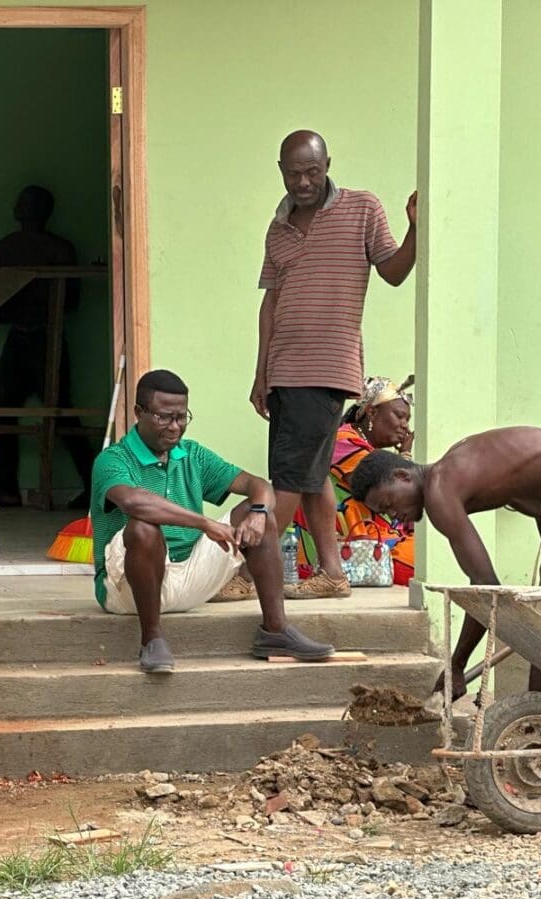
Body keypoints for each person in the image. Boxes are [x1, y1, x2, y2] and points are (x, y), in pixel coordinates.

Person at [239, 129, 417, 602]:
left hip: (327, 368)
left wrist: (417, 229)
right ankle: (334, 573)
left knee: (289, 481)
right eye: (294, 173)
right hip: (283, 371)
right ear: (281, 171)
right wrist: (261, 374)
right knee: (313, 477)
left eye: (312, 171)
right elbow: (270, 306)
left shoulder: (361, 208)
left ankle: (248, 574)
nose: (303, 182)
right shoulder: (278, 228)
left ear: (327, 165)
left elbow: (393, 272)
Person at [352, 429, 541, 698]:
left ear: (403, 475)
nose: (395, 517)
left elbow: (486, 587)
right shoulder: (467, 468)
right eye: (385, 513)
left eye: (389, 503)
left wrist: (457, 665)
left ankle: (539, 729)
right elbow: (540, 509)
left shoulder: (439, 490)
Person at [92, 369, 334, 672]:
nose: (175, 427)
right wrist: (205, 523)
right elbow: (133, 501)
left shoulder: (192, 455)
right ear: (139, 412)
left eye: (182, 417)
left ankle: (276, 631)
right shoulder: (113, 459)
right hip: (126, 590)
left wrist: (259, 514)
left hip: (192, 577)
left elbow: (259, 486)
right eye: (164, 417)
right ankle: (151, 640)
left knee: (260, 513)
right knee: (143, 526)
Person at [0, 184, 95, 508]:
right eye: (20, 200)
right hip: (17, 336)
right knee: (2, 410)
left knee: (62, 413)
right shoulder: (5, 247)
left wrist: (34, 305)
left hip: (48, 337)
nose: (21, 206)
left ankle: (96, 487)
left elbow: (71, 299)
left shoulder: (60, 249)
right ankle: (5, 488)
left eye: (29, 202)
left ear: (43, 209)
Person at [285, 375, 417, 587]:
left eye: (407, 420)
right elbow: (375, 484)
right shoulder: (342, 440)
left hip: (377, 541)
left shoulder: (371, 451)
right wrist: (406, 456)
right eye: (399, 416)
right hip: (355, 545)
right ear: (372, 412)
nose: (405, 426)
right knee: (415, 564)